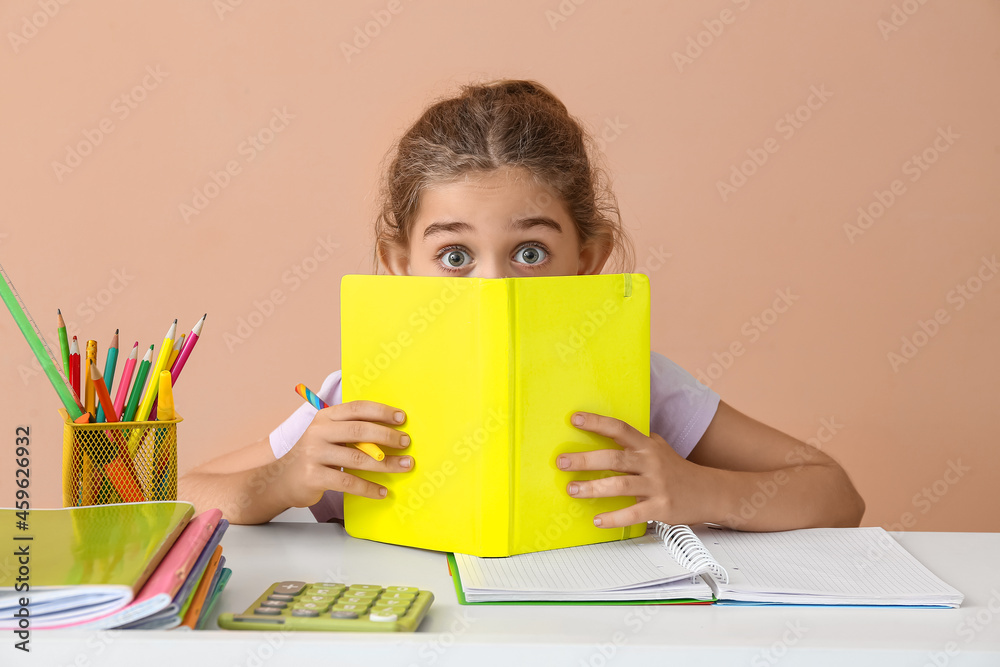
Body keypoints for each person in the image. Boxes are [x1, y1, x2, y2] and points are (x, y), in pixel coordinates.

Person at [179, 79, 865, 530]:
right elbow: (182, 494)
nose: (493, 288)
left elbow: (835, 493)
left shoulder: (639, 385)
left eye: (529, 252)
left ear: (588, 259)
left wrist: (699, 490)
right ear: (399, 265)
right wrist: (280, 479)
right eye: (455, 256)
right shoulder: (355, 396)